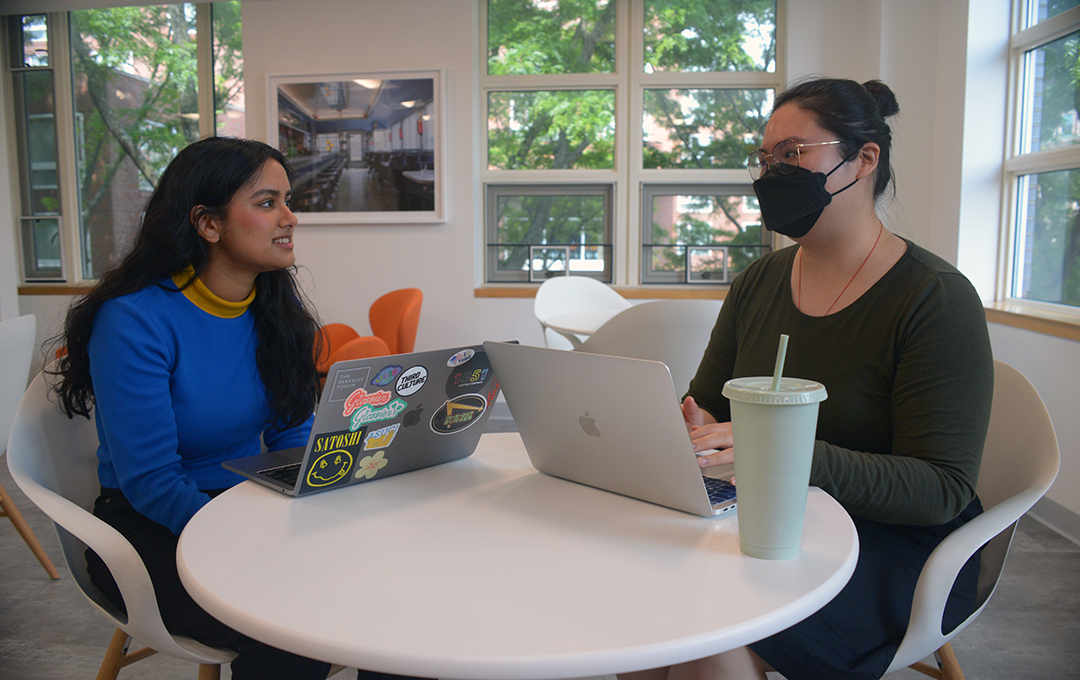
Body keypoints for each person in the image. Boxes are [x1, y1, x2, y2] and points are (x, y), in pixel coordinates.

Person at [625, 79, 994, 680]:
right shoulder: (758, 282)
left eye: (793, 154)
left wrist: (785, 456)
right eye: (767, 159)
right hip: (769, 513)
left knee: (716, 631)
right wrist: (688, 425)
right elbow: (710, 409)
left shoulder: (935, 297)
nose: (773, 173)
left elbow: (941, 489)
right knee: (644, 600)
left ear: (864, 159)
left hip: (891, 543)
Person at [49, 137, 332, 679]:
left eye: (289, 200)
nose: (291, 217)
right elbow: (152, 481)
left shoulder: (276, 308)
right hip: (150, 527)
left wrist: (309, 503)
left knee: (391, 592)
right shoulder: (135, 319)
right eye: (268, 202)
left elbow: (292, 432)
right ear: (208, 224)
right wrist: (249, 536)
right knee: (295, 632)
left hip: (247, 503)